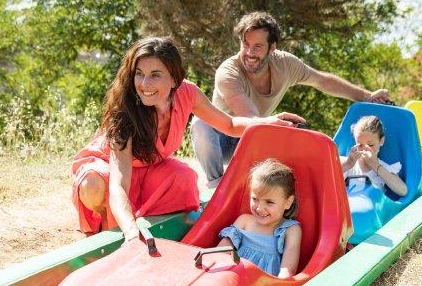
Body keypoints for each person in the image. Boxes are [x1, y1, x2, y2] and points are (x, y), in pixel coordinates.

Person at [72, 37, 305, 242]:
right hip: (110, 169)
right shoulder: (125, 113)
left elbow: (230, 125)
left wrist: (267, 121)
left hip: (149, 167)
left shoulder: (187, 94)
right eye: (139, 75)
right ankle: (106, 225)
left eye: (155, 75)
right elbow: (118, 184)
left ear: (174, 79)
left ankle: (154, 226)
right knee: (94, 187)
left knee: (183, 178)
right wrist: (131, 233)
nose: (145, 85)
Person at [191, 11, 393, 187]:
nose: (250, 53)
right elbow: (249, 118)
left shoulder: (285, 64)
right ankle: (217, 187)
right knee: (201, 123)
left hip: (256, 135)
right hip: (224, 140)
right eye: (246, 45)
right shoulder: (228, 72)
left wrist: (367, 96)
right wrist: (274, 123)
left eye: (258, 46)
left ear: (272, 48)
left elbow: (322, 81)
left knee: (297, 131)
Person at [217, 159, 302, 279]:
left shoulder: (290, 230)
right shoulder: (244, 221)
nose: (259, 208)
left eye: (269, 202)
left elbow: (288, 269)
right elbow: (222, 250)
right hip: (234, 279)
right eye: (255, 199)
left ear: (288, 202)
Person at [341, 115, 408, 196]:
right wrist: (347, 164)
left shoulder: (383, 168)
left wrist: (375, 165)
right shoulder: (348, 163)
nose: (365, 149)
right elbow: (324, 180)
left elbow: (403, 191)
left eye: (370, 145)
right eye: (360, 144)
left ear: (381, 141)